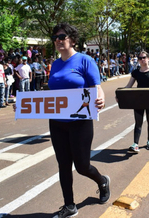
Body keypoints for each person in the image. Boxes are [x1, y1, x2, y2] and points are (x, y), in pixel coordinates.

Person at [48, 23, 110, 217]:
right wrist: (25, 103)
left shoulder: (85, 60)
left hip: (80, 121)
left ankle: (102, 181)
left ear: (72, 39)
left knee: (82, 165)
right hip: (57, 122)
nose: (58, 40)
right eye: (55, 37)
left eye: (62, 36)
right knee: (63, 164)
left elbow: (96, 86)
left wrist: (101, 97)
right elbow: (52, 93)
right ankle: (69, 205)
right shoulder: (55, 64)